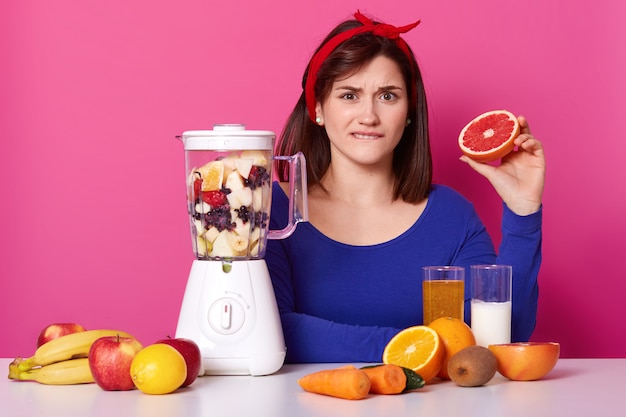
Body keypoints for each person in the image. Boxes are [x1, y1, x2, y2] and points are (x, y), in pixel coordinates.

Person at [265, 11, 545, 363]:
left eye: (388, 96)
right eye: (349, 95)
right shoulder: (273, 211)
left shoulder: (451, 217)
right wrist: (418, 347)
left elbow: (501, 336)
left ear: (410, 111)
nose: (368, 115)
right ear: (317, 108)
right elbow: (271, 330)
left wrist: (523, 214)